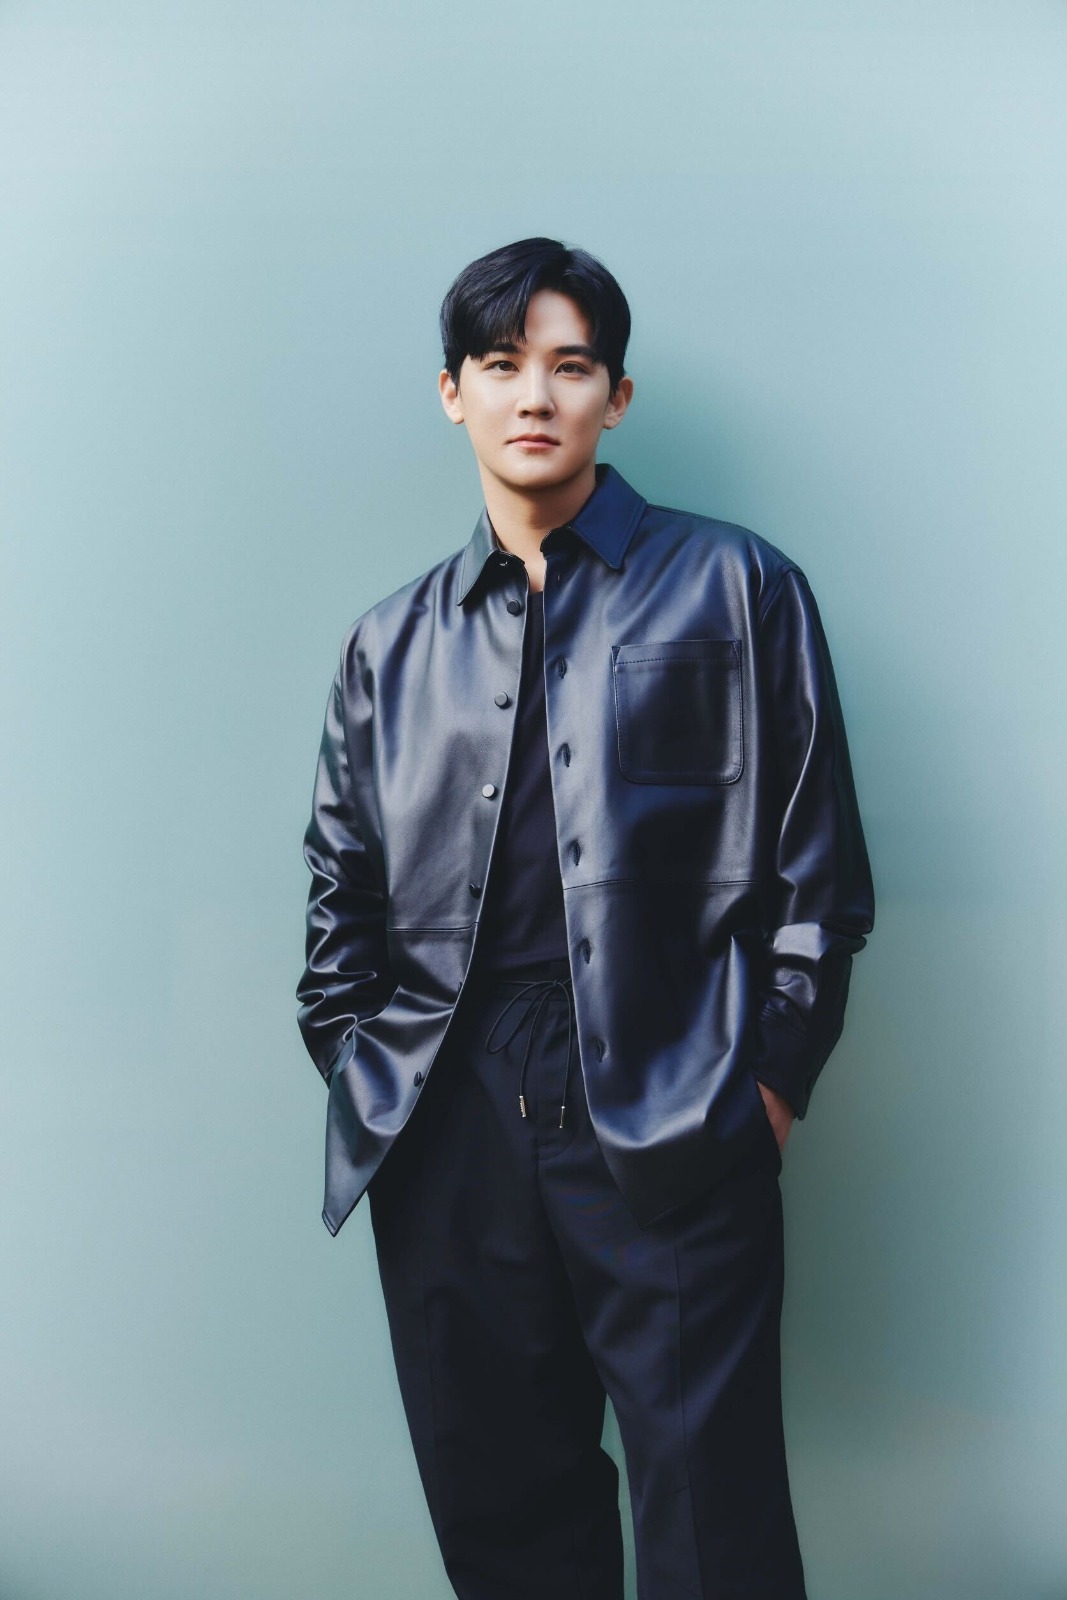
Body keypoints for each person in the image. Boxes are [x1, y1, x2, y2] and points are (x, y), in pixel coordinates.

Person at [296, 235, 875, 1600]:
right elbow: (338, 902)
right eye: (503, 365)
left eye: (570, 366)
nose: (536, 395)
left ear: (616, 397)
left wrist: (768, 1087)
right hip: (446, 1109)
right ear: (455, 392)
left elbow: (819, 874)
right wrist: (371, 1074)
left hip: (674, 1094)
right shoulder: (389, 644)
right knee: (501, 1510)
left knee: (713, 1519)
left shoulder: (739, 586)